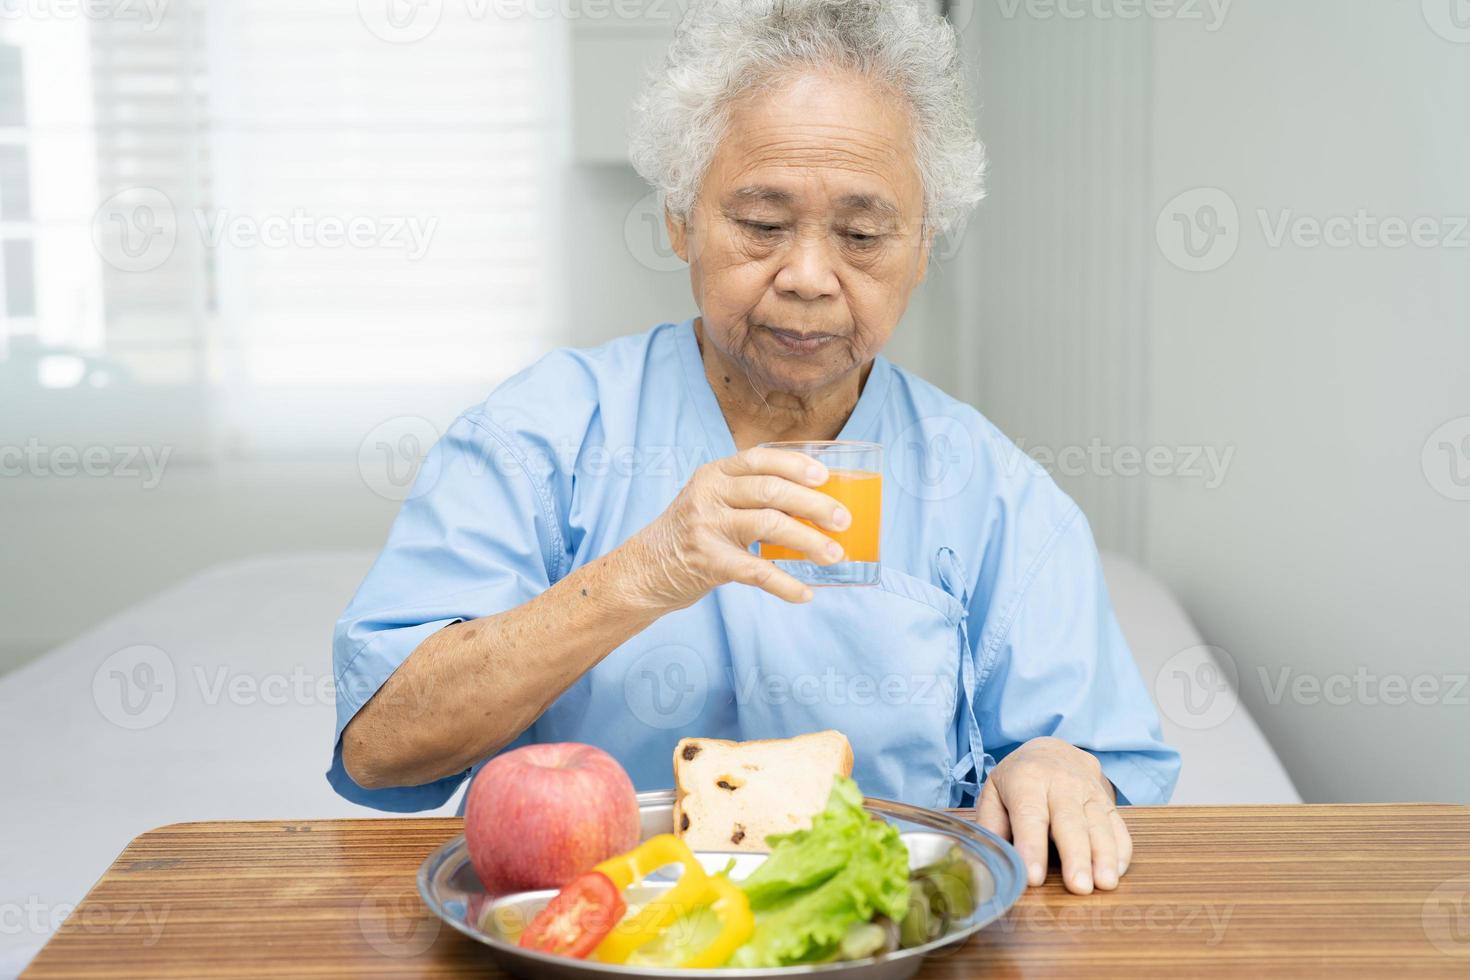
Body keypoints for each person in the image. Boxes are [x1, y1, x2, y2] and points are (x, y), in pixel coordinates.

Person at [329, 0, 1179, 896]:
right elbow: (383, 746)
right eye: (763, 224)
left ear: (924, 245)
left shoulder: (996, 491)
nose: (809, 276)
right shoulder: (539, 435)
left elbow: (1102, 767)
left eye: (862, 233)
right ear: (678, 219)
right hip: (601, 936)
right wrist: (641, 573)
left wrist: (1059, 764)